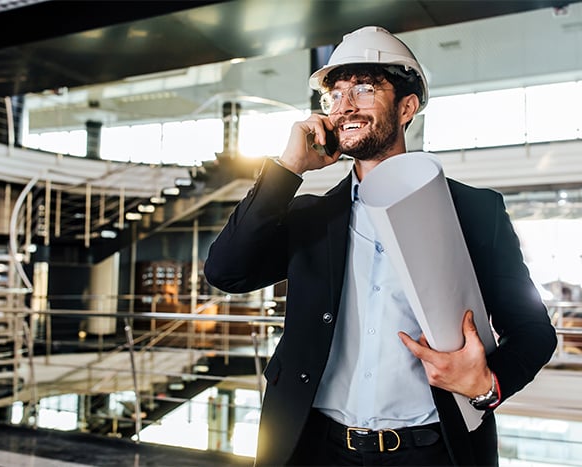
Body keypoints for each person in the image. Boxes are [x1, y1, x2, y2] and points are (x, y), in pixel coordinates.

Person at [204, 25, 557, 467]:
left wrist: (486, 383)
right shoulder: (309, 214)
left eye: (365, 89)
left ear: (407, 107)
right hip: (314, 447)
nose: (344, 106)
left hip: (431, 450)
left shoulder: (475, 210)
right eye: (334, 95)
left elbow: (533, 331)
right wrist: (289, 168)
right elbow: (225, 272)